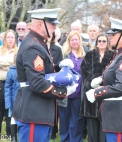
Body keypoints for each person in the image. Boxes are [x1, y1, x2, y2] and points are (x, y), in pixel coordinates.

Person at [12, 8, 75, 141]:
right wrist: (62, 92)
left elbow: (43, 72)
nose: (55, 27)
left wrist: (59, 66)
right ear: (40, 24)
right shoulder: (33, 46)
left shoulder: (38, 43)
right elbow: (37, 83)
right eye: (52, 24)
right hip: (34, 111)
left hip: (38, 111)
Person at [85, 18, 122, 141]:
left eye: (113, 34)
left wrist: (97, 92)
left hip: (119, 116)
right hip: (115, 115)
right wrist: (101, 79)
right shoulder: (119, 54)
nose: (110, 37)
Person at [80, 33, 114, 142]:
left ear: (108, 42)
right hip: (91, 96)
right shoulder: (90, 54)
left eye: (104, 41)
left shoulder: (113, 56)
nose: (101, 43)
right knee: (92, 131)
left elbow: (114, 74)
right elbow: (84, 72)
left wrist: (103, 85)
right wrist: (91, 84)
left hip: (106, 95)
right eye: (99, 41)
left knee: (104, 130)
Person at [58, 30, 86, 142]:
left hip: (79, 93)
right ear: (69, 41)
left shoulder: (85, 55)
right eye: (72, 39)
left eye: (76, 39)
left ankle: (75, 140)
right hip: (65, 93)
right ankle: (65, 139)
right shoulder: (64, 54)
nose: (74, 42)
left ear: (80, 41)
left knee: (77, 120)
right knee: (64, 119)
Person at [0, 29, 18, 139]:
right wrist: (11, 63)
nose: (10, 39)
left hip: (12, 85)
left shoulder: (18, 51)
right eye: (8, 37)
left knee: (10, 109)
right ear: (4, 39)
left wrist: (4, 64)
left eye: (12, 37)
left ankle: (9, 134)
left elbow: (18, 65)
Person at [46, 32, 63, 140]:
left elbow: (60, 66)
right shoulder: (37, 47)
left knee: (54, 107)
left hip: (54, 81)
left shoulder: (57, 49)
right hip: (41, 80)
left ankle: (53, 130)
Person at [4, 54, 20, 142]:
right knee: (13, 118)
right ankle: (13, 137)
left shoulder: (27, 71)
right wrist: (8, 103)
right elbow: (7, 89)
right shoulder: (11, 72)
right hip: (13, 100)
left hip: (24, 101)